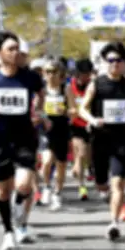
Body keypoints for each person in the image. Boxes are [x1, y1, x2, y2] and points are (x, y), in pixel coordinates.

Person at [0, 31, 45, 250]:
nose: (15, 53)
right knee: (3, 190)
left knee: (23, 183)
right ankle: (8, 231)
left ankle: (19, 211)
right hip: (0, 140)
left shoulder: (29, 77)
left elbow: (41, 94)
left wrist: (38, 110)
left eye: (17, 49)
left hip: (25, 137)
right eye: (10, 49)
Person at [79, 43, 125, 240]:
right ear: (105, 63)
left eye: (118, 60)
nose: (114, 64)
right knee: (102, 184)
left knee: (118, 182)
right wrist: (93, 120)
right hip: (100, 139)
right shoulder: (97, 84)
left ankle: (114, 222)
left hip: (123, 139)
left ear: (124, 63)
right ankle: (108, 195)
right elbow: (82, 108)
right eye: (110, 60)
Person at [39, 57, 76, 212]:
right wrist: (42, 116)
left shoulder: (65, 89)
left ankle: (57, 193)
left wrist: (66, 111)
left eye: (54, 71)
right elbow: (35, 108)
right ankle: (47, 187)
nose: (51, 75)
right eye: (48, 71)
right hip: (46, 129)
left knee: (61, 164)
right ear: (44, 73)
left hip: (61, 129)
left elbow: (74, 111)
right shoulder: (41, 89)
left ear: (60, 73)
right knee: (47, 161)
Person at [69, 59, 94, 200]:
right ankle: (82, 186)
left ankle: (80, 169)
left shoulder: (92, 86)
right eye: (84, 74)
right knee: (81, 152)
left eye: (88, 74)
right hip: (74, 126)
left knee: (85, 155)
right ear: (77, 74)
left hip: (89, 125)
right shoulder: (70, 87)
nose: (86, 77)